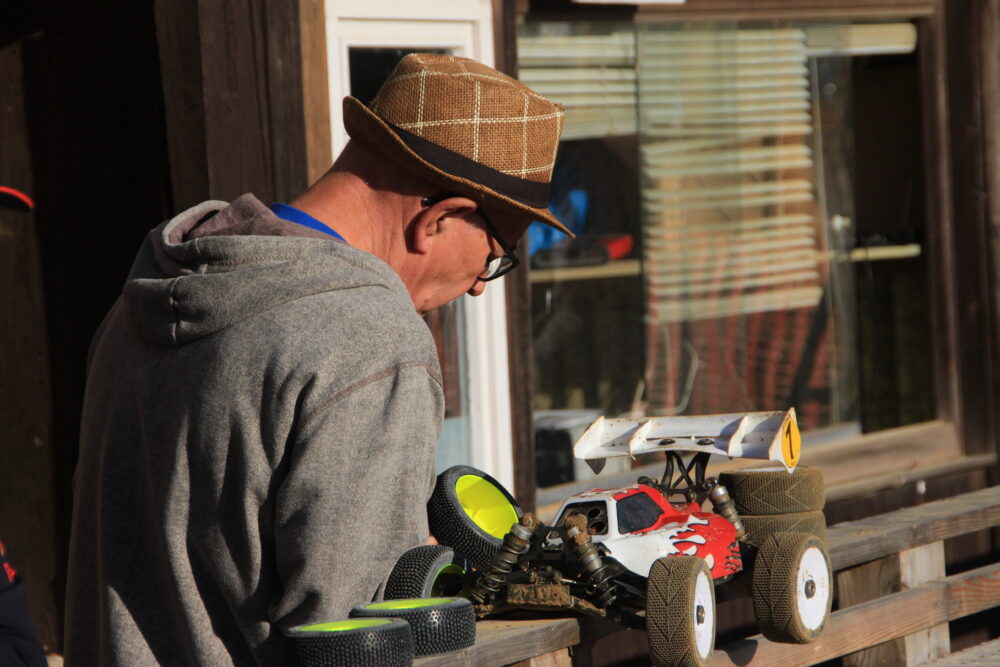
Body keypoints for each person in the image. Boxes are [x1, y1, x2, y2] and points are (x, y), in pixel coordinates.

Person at [63, 53, 569, 665]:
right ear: (440, 219)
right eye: (495, 255)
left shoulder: (142, 296)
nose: (482, 285)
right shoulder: (372, 339)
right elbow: (359, 641)